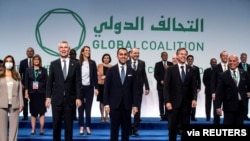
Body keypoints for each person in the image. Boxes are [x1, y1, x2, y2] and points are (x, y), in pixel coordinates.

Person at [45, 41, 82, 141]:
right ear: (58, 50)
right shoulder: (53, 64)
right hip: (57, 99)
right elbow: (49, 82)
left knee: (69, 127)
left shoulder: (76, 64)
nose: (63, 49)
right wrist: (48, 97)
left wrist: (78, 97)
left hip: (70, 99)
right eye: (61, 47)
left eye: (66, 47)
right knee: (56, 125)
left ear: (69, 50)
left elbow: (78, 82)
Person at [104, 47, 138, 141]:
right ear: (117, 56)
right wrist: (106, 104)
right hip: (114, 106)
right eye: (121, 54)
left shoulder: (132, 71)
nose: (123, 56)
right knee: (114, 131)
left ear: (128, 56)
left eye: (125, 54)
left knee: (126, 132)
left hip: (127, 106)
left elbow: (135, 90)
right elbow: (106, 89)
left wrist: (135, 105)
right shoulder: (111, 70)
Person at [163, 47, 197, 141]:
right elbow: (166, 87)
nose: (183, 56)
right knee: (172, 128)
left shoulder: (192, 69)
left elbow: (193, 86)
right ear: (177, 56)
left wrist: (194, 99)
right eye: (181, 54)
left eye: (185, 54)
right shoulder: (170, 69)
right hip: (173, 104)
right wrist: (167, 101)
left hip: (186, 104)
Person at [215, 55, 250, 125]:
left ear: (238, 63)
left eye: (234, 61)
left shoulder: (244, 73)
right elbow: (219, 93)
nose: (232, 62)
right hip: (228, 107)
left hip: (241, 106)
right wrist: (218, 106)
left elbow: (249, 85)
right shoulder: (223, 75)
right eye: (230, 61)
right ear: (228, 62)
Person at [0, 55, 24, 141]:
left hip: (15, 103)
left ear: (13, 63)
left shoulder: (17, 75)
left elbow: (20, 90)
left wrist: (21, 103)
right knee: (2, 128)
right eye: (7, 61)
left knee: (14, 127)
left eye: (10, 61)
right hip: (1, 104)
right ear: (4, 63)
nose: (8, 63)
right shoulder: (0, 75)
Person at [127, 48, 150, 136]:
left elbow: (144, 75)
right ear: (131, 54)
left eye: (138, 53)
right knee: (127, 110)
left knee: (137, 109)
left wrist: (147, 86)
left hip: (138, 90)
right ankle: (128, 128)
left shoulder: (142, 63)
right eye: (135, 53)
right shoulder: (126, 62)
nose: (137, 54)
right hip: (127, 90)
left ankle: (135, 129)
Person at [24, 54, 48, 135]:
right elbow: (26, 82)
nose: (36, 61)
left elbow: (47, 82)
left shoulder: (44, 70)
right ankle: (33, 129)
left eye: (38, 59)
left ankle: (41, 129)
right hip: (32, 93)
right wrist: (26, 92)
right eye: (35, 59)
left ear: (40, 61)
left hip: (42, 93)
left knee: (42, 112)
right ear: (33, 61)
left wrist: (47, 95)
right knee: (33, 112)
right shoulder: (28, 70)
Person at [78, 46, 99, 135]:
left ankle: (88, 127)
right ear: (82, 52)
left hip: (89, 88)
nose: (88, 52)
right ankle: (81, 127)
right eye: (86, 50)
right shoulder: (77, 63)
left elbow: (95, 76)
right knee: (80, 108)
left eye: (89, 51)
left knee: (88, 108)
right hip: (80, 88)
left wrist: (96, 88)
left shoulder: (92, 63)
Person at [210, 50, 228, 125]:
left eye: (226, 56)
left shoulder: (231, 66)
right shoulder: (216, 67)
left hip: (228, 93)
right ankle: (216, 125)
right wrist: (213, 92)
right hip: (218, 92)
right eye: (224, 56)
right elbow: (213, 81)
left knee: (228, 110)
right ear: (220, 57)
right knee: (217, 110)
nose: (225, 57)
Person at [154, 51, 173, 121]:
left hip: (169, 87)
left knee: (167, 100)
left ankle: (167, 115)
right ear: (161, 56)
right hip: (160, 86)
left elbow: (173, 75)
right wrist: (160, 80)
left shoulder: (171, 64)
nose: (165, 56)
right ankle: (162, 115)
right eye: (164, 55)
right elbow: (155, 74)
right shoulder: (158, 64)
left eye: (166, 55)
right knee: (161, 101)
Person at [19, 47, 35, 120]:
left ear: (33, 52)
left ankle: (34, 115)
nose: (30, 52)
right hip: (24, 84)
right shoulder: (22, 62)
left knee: (34, 100)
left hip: (34, 84)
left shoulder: (36, 61)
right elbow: (20, 73)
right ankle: (25, 115)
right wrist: (21, 83)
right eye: (28, 51)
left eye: (31, 51)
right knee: (25, 100)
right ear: (26, 53)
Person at [97, 53, 112, 122]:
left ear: (109, 59)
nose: (106, 59)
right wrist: (101, 76)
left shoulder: (112, 67)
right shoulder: (99, 66)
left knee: (107, 102)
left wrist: (106, 77)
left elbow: (113, 77)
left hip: (108, 86)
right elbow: (97, 75)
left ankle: (107, 116)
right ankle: (102, 116)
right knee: (101, 101)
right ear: (103, 59)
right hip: (100, 85)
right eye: (105, 58)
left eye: (107, 58)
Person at [186, 55, 201, 121]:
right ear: (187, 60)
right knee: (186, 103)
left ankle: (193, 116)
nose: (190, 60)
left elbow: (199, 79)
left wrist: (199, 87)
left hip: (194, 88)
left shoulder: (196, 68)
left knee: (194, 102)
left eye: (191, 59)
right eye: (189, 59)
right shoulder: (184, 67)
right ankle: (187, 116)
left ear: (193, 60)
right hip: (186, 89)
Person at [238, 53, 250, 121]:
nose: (244, 58)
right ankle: (240, 116)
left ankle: (245, 115)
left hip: (247, 89)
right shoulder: (237, 66)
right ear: (240, 58)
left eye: (245, 57)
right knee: (240, 102)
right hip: (239, 88)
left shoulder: (249, 66)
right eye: (243, 57)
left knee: (246, 103)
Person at [69, 48, 79, 120]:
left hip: (76, 84)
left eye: (74, 54)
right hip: (68, 85)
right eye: (72, 54)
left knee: (75, 101)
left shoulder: (78, 62)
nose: (73, 55)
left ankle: (74, 115)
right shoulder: (67, 62)